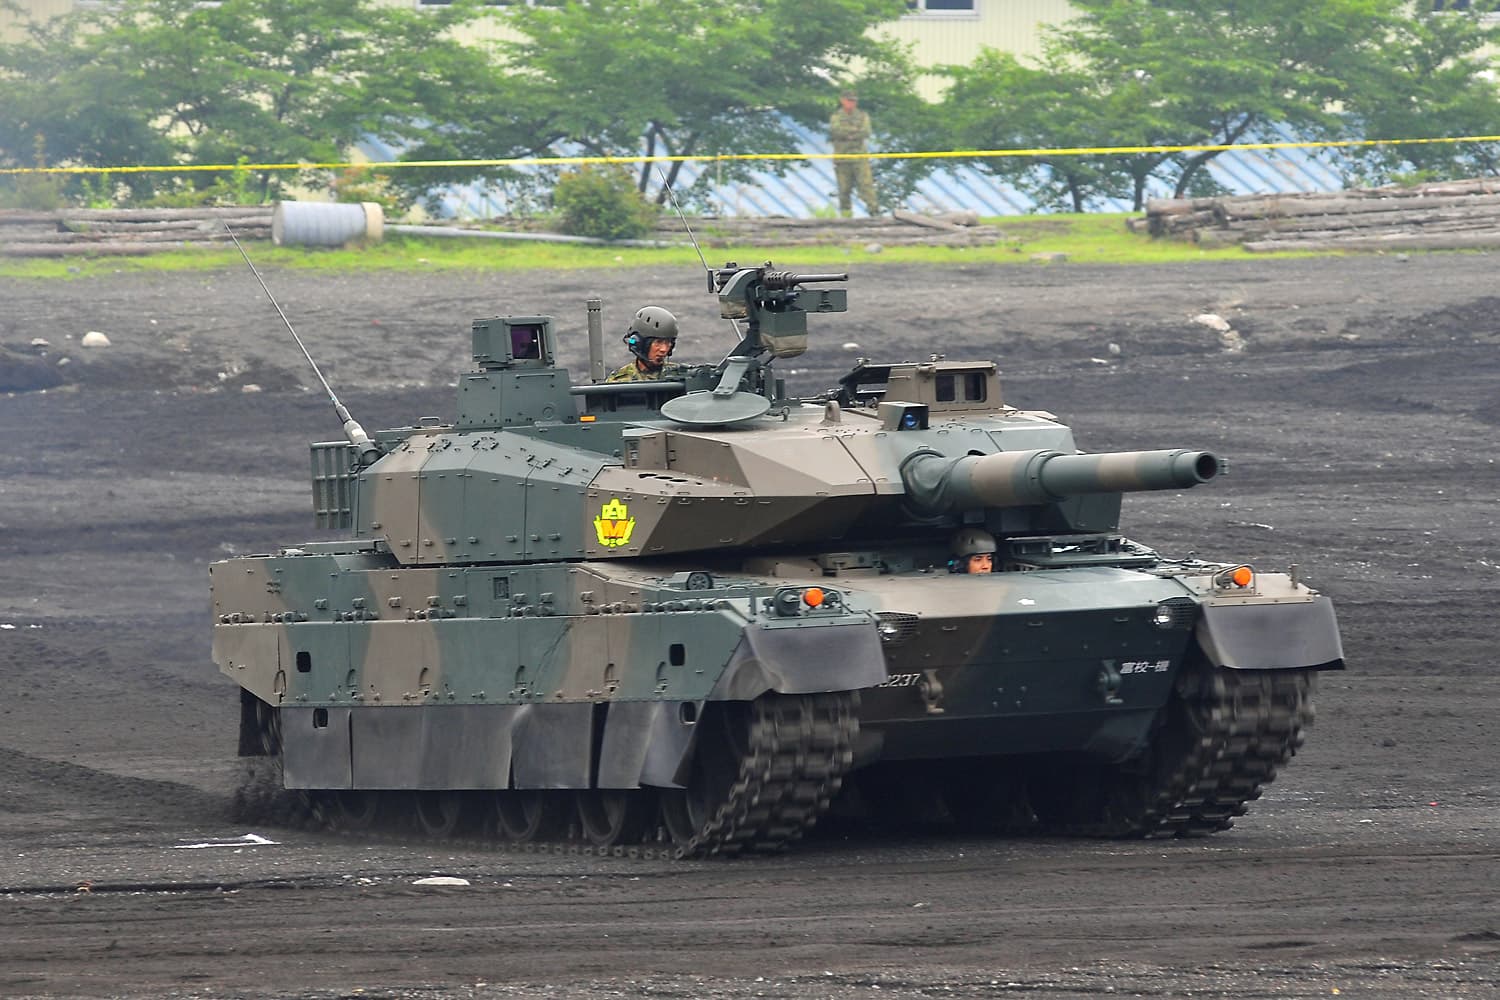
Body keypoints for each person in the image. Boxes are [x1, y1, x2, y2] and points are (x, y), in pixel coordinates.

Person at [829, 90, 878, 218]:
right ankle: (846, 216)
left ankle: (874, 212)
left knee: (866, 186)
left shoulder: (862, 116)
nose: (851, 103)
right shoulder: (836, 116)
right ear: (842, 101)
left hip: (859, 157)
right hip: (843, 157)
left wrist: (848, 134)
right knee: (844, 189)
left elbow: (866, 132)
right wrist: (854, 132)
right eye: (849, 100)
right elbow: (836, 131)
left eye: (854, 101)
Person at [606, 305, 686, 382]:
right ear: (640, 343)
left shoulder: (680, 376)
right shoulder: (619, 380)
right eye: (658, 342)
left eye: (668, 342)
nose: (664, 349)